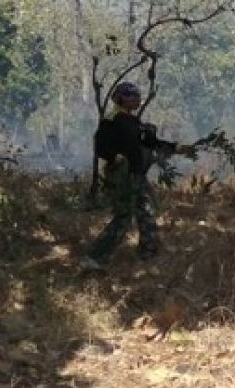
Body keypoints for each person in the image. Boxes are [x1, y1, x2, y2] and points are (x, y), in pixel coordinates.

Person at [81, 81, 192, 270]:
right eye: (133, 96)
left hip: (136, 175)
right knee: (124, 217)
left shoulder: (134, 122)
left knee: (146, 212)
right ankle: (95, 257)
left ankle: (148, 252)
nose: (137, 100)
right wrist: (114, 157)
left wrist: (176, 148)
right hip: (122, 177)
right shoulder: (111, 119)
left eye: (138, 96)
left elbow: (151, 143)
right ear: (121, 98)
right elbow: (100, 146)